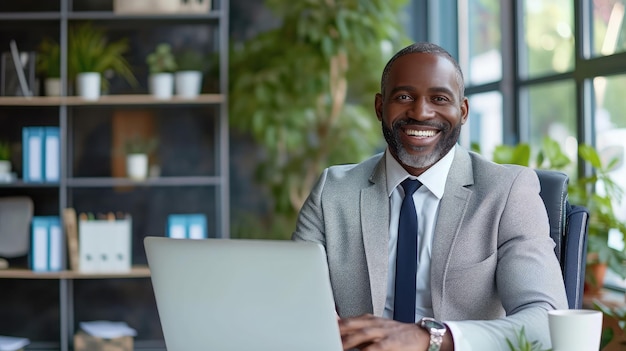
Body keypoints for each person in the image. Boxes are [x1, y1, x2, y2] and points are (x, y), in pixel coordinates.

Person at [292, 42, 568, 351]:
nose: (421, 112)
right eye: (404, 97)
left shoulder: (507, 192)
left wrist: (430, 338)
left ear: (462, 111)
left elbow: (547, 321)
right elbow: (294, 298)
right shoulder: (332, 190)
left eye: (439, 98)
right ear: (380, 107)